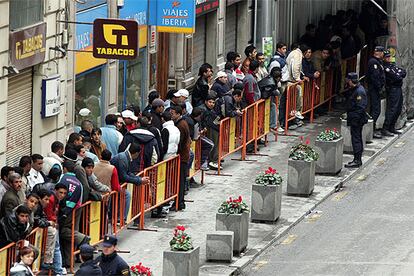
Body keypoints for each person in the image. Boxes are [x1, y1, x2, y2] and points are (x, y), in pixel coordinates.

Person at [59, 160, 90, 269]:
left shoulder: (62, 178)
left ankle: (82, 238)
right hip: (77, 209)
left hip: (66, 210)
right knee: (70, 234)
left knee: (64, 231)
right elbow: (80, 198)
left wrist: (64, 212)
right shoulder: (79, 183)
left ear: (65, 169)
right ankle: (69, 261)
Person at [344, 73, 368, 168]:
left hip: (357, 120)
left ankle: (357, 160)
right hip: (355, 118)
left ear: (350, 81)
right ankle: (357, 159)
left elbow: (360, 107)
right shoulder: (355, 89)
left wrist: (355, 119)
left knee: (356, 139)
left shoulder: (359, 91)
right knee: (356, 138)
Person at [170, 105, 191, 210]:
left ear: (178, 114)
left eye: (172, 113)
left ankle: (179, 203)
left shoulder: (181, 125)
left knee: (180, 180)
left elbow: (180, 143)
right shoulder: (181, 123)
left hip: (182, 157)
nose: (171, 115)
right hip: (182, 156)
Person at [382, 50, 406, 136]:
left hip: (398, 88)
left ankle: (392, 127)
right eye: (387, 57)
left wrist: (398, 73)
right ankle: (385, 128)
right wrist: (398, 74)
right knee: (392, 109)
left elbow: (403, 72)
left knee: (398, 108)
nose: (389, 58)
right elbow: (396, 77)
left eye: (389, 56)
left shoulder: (392, 65)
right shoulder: (385, 67)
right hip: (393, 89)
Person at [367, 46, 385, 139]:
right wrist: (379, 88)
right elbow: (375, 77)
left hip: (376, 89)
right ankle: (370, 131)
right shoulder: (373, 62)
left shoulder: (377, 62)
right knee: (375, 110)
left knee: (375, 110)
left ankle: (371, 129)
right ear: (380, 53)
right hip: (374, 89)